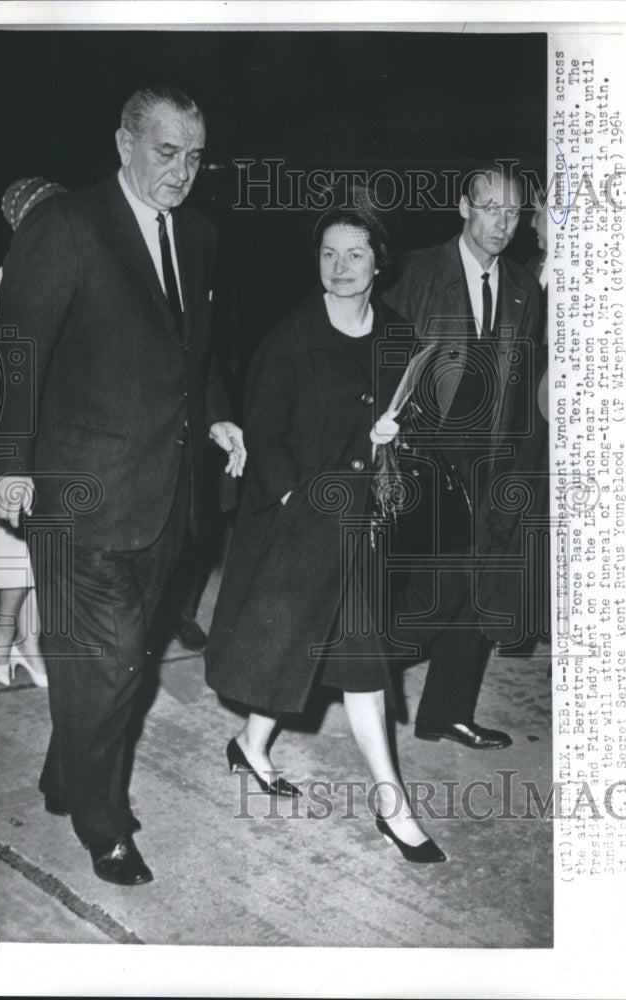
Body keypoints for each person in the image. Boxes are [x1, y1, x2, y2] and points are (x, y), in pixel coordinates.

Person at [0, 86, 245, 886]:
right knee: (105, 664)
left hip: (165, 495)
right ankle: (103, 825)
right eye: (167, 152)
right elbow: (14, 348)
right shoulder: (67, 226)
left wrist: (218, 418)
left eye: (195, 156)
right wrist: (4, 463)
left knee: (120, 663)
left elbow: (195, 356)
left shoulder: (196, 236)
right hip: (78, 496)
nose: (183, 171)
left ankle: (66, 776)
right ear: (124, 144)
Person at [204, 190, 446, 864]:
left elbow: (422, 426)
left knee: (355, 663)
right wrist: (291, 503)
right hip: (303, 527)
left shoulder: (399, 336)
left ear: (377, 265)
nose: (339, 266)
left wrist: (401, 433)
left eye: (354, 254)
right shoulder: (289, 338)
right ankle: (256, 746)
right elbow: (267, 433)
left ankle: (385, 802)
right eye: (328, 254)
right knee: (301, 649)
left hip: (363, 529)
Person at [383, 163, 542, 751]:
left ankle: (446, 712)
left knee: (478, 582)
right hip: (423, 451)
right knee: (413, 586)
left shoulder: (523, 286)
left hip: (489, 456)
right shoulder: (419, 271)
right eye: (491, 207)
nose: (503, 222)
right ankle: (358, 686)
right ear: (463, 207)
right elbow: (384, 355)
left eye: (514, 211)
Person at [0, 178, 66, 688]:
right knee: (15, 551)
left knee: (39, 554)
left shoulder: (64, 278)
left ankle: (21, 639)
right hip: (3, 442)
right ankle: (3, 639)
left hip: (49, 437)